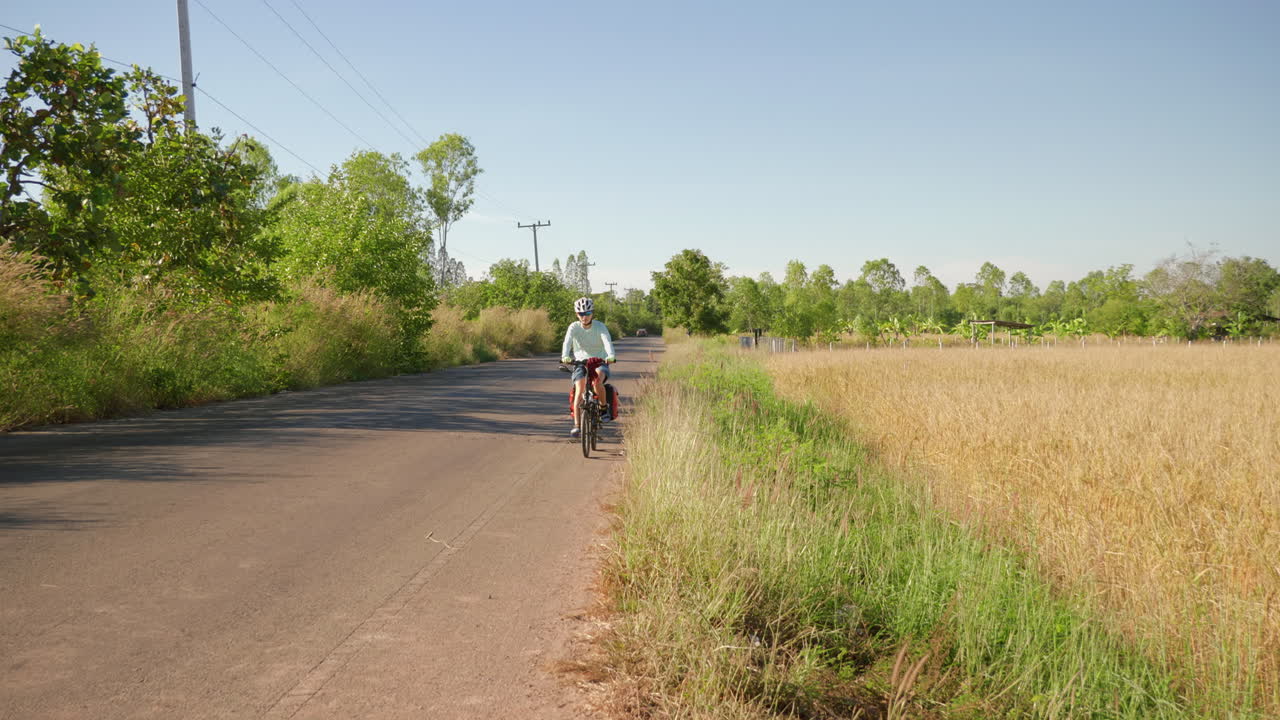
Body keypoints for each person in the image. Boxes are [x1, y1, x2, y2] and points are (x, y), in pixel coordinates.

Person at [561, 296, 616, 438]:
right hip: (580, 362)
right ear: (576, 314)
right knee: (579, 388)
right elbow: (567, 342)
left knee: (597, 383)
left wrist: (610, 356)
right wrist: (565, 356)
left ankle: (603, 409)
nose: (584, 317)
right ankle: (577, 426)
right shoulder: (574, 327)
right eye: (581, 314)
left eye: (587, 313)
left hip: (599, 361)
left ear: (592, 313)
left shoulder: (600, 326)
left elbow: (607, 341)